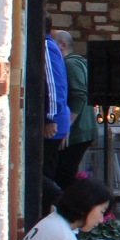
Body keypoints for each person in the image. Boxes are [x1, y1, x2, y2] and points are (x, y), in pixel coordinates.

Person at [54, 30, 95, 189]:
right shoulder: (77, 62)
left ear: (63, 45)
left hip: (77, 128)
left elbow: (79, 94)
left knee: (65, 174)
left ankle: (81, 202)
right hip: (82, 127)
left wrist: (66, 125)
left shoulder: (70, 64)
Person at [43, 22, 72, 191]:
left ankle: (62, 201)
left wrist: (51, 118)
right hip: (58, 117)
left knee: (40, 175)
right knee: (46, 172)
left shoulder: (47, 46)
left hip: (53, 119)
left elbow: (54, 85)